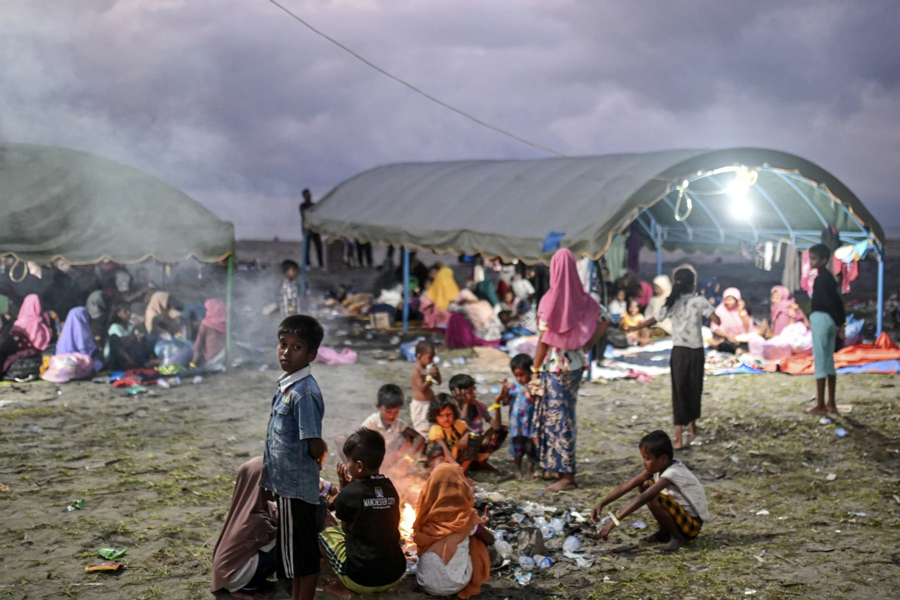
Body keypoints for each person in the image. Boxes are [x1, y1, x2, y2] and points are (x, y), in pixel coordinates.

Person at [260, 315, 326, 600]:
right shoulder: (286, 387)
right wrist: (267, 479)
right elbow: (274, 439)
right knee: (295, 557)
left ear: (311, 354)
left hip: (297, 488)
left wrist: (316, 454)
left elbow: (314, 445)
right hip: (285, 484)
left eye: (296, 347)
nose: (286, 352)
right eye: (283, 344)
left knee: (302, 556)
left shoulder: (304, 393)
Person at [533, 248, 610, 491]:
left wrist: (535, 368)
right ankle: (555, 468)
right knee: (565, 416)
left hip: (555, 367)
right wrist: (586, 344)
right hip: (575, 366)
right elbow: (605, 318)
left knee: (557, 419)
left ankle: (567, 476)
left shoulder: (549, 299)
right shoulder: (585, 298)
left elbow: (543, 339)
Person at [624, 266, 720, 450]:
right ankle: (692, 429)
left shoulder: (672, 303)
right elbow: (717, 320)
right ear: (693, 284)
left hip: (680, 352)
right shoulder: (699, 301)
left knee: (679, 391)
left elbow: (654, 319)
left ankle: (678, 437)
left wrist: (635, 328)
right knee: (695, 388)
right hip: (696, 352)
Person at [319, 429, 407, 596]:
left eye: (348, 461)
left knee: (321, 520)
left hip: (360, 579)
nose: (347, 465)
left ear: (359, 466)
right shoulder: (390, 488)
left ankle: (341, 587)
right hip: (395, 575)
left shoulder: (349, 493)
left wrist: (344, 489)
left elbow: (346, 530)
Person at [590, 430, 710, 553]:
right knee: (645, 485)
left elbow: (644, 498)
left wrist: (614, 521)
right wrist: (602, 503)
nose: (644, 462)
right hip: (681, 518)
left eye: (647, 459)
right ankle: (665, 533)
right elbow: (628, 485)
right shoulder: (660, 467)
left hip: (692, 526)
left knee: (653, 497)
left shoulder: (673, 473)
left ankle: (678, 538)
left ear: (663, 459)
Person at [413, 464, 493, 598]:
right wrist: (482, 525)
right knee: (476, 538)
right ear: (461, 487)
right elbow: (491, 540)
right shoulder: (466, 518)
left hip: (424, 582)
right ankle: (475, 577)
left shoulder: (424, 517)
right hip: (457, 584)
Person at [210, 457, 278, 600]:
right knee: (286, 546)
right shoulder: (255, 519)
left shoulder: (243, 506)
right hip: (233, 575)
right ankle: (246, 590)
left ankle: (251, 583)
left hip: (226, 571)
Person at [806, 244, 846, 416]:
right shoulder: (829, 278)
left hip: (821, 319)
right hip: (831, 321)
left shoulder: (820, 280)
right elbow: (838, 302)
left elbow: (829, 303)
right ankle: (831, 403)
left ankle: (820, 405)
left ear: (823, 260)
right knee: (829, 361)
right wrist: (840, 323)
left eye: (814, 258)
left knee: (821, 361)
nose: (811, 262)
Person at [360, 384, 424, 469]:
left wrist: (407, 459)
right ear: (378, 406)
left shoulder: (398, 424)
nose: (392, 416)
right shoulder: (372, 422)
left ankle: (396, 469)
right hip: (372, 460)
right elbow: (357, 440)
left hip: (390, 460)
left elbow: (420, 438)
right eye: (388, 411)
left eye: (396, 412)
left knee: (407, 437)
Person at [449, 374, 506, 471]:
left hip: (476, 445)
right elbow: (461, 424)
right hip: (460, 449)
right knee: (471, 437)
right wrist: (466, 403)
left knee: (502, 429)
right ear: (458, 395)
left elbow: (496, 427)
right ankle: (462, 470)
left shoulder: (479, 406)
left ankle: (480, 462)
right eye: (470, 392)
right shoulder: (453, 410)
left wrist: (497, 402)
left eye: (474, 389)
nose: (474, 394)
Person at [500, 354, 538, 479]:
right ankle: (516, 468)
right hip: (516, 424)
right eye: (516, 375)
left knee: (530, 446)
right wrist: (504, 391)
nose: (519, 378)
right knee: (517, 445)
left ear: (530, 371)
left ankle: (530, 469)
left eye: (522, 375)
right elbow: (505, 401)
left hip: (530, 424)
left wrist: (530, 394)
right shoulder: (514, 387)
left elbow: (537, 403)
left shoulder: (534, 386)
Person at [425, 394, 470, 469]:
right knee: (439, 448)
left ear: (454, 413)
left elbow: (469, 430)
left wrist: (466, 435)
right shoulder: (436, 429)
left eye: (448, 414)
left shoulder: (458, 425)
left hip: (455, 459)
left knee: (472, 440)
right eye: (441, 415)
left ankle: (463, 471)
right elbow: (445, 450)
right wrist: (455, 464)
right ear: (434, 416)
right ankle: (436, 474)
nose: (446, 419)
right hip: (439, 462)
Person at [411, 340, 442, 439]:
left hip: (430, 404)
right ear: (420, 356)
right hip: (421, 407)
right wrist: (429, 376)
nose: (432, 361)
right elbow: (422, 388)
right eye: (430, 358)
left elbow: (439, 382)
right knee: (422, 432)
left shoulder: (427, 370)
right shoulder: (416, 372)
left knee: (433, 428)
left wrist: (437, 373)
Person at [709, 288, 752, 354]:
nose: (728, 302)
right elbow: (714, 328)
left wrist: (741, 311)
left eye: (731, 300)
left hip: (740, 338)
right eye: (727, 300)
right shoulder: (720, 310)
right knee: (724, 345)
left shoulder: (741, 311)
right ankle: (737, 350)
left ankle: (741, 350)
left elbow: (748, 327)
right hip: (726, 339)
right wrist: (727, 336)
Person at [192, 298, 227, 368]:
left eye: (207, 310)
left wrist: (192, 364)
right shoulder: (227, 323)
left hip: (210, 361)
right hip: (226, 360)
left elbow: (198, 346)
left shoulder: (206, 324)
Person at [300, 189, 323, 269]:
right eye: (307, 195)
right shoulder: (302, 206)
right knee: (307, 247)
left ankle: (321, 263)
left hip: (314, 228)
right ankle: (307, 263)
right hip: (306, 228)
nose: (309, 196)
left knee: (318, 246)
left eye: (309, 194)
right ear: (304, 196)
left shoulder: (314, 205)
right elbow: (305, 216)